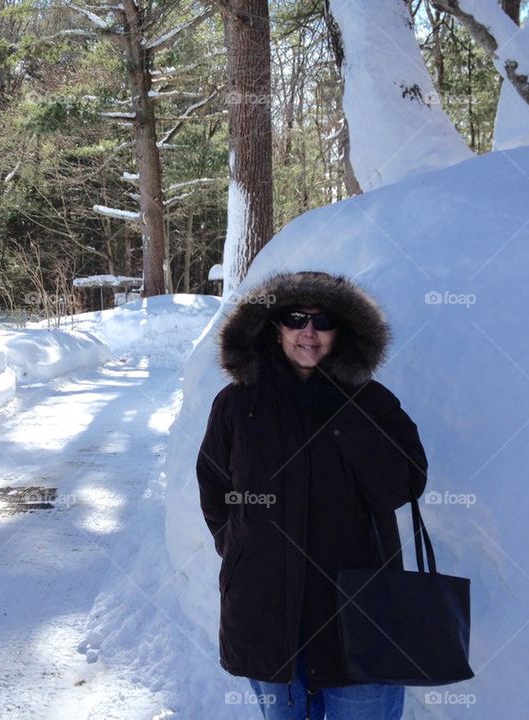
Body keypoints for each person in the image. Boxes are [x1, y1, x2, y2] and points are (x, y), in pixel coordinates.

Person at [196, 271, 429, 720]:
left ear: (342, 330)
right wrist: (240, 548)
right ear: (274, 326)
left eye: (323, 321)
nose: (308, 331)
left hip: (361, 616)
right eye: (295, 318)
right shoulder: (237, 404)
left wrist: (343, 412)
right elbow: (214, 487)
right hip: (266, 612)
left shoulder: (373, 402)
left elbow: (403, 485)